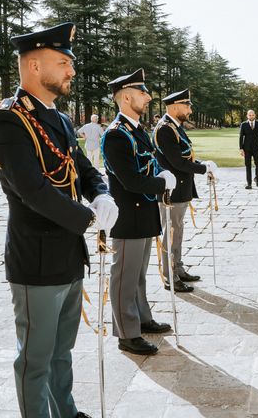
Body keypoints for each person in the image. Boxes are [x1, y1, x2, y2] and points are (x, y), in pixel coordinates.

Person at [0, 22, 118, 418]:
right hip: (36, 260)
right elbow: (32, 190)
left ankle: (67, 412)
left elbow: (81, 168)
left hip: (69, 255)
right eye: (62, 62)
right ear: (33, 67)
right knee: (35, 360)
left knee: (62, 351)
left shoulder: (57, 119)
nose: (71, 71)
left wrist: (102, 193)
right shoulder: (7, 119)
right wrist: (88, 219)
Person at [101, 68, 176, 356]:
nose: (148, 97)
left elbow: (150, 165)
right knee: (124, 277)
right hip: (129, 216)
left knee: (139, 275)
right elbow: (131, 180)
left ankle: (142, 318)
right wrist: (161, 182)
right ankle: (126, 333)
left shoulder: (138, 131)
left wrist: (162, 176)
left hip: (144, 213)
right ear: (127, 96)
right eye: (143, 93)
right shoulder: (117, 135)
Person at [152, 89, 218, 292]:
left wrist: (202, 164)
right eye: (186, 105)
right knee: (170, 233)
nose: (190, 109)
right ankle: (169, 275)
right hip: (171, 191)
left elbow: (186, 156)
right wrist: (202, 168)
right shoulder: (165, 129)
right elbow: (177, 162)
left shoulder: (175, 127)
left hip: (180, 190)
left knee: (177, 231)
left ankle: (178, 268)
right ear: (174, 106)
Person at [239, 109, 258, 189]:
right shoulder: (243, 124)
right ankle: (249, 183)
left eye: (252, 115)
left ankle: (257, 179)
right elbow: (241, 137)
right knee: (248, 165)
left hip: (257, 148)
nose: (251, 116)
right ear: (247, 116)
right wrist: (241, 148)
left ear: (255, 115)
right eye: (249, 115)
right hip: (246, 148)